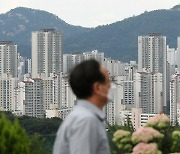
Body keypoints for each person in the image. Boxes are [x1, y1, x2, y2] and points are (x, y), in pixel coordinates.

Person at [53, 59, 111, 154]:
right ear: (97, 88)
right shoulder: (86, 120)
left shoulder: (82, 116)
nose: (110, 86)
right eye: (108, 81)